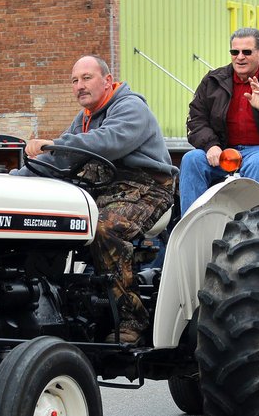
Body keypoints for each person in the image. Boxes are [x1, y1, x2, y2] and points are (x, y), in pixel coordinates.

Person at [12, 55, 177, 345]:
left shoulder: (130, 107)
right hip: (103, 187)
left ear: (107, 80)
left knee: (104, 228)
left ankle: (132, 317)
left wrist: (55, 144)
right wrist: (15, 180)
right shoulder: (83, 119)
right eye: (74, 80)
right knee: (53, 221)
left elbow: (107, 142)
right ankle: (48, 304)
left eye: (86, 78)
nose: (79, 86)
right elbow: (58, 162)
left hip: (146, 186)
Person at [179, 27, 259, 215]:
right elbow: (196, 118)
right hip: (222, 149)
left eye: (246, 52)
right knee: (192, 159)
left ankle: (251, 231)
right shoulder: (213, 80)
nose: (240, 57)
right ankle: (192, 226)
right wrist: (211, 145)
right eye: (235, 52)